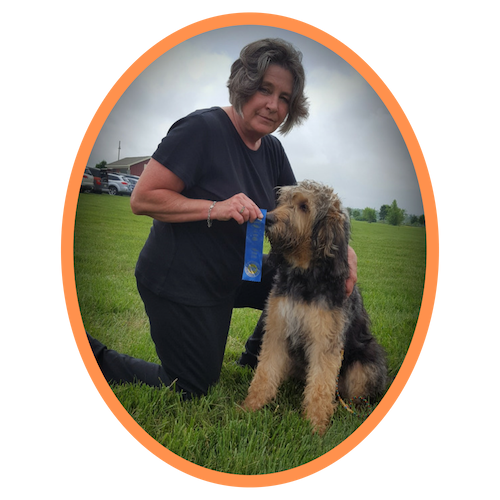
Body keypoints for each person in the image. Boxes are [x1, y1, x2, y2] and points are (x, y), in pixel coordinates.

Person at [88, 38, 358, 399]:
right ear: (244, 84)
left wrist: (346, 253)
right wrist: (216, 207)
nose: (273, 106)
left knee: (317, 275)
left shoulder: (272, 149)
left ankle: (252, 360)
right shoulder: (201, 130)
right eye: (265, 90)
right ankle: (92, 354)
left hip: (235, 270)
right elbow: (143, 198)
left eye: (284, 98)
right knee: (191, 385)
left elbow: (304, 212)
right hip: (183, 279)